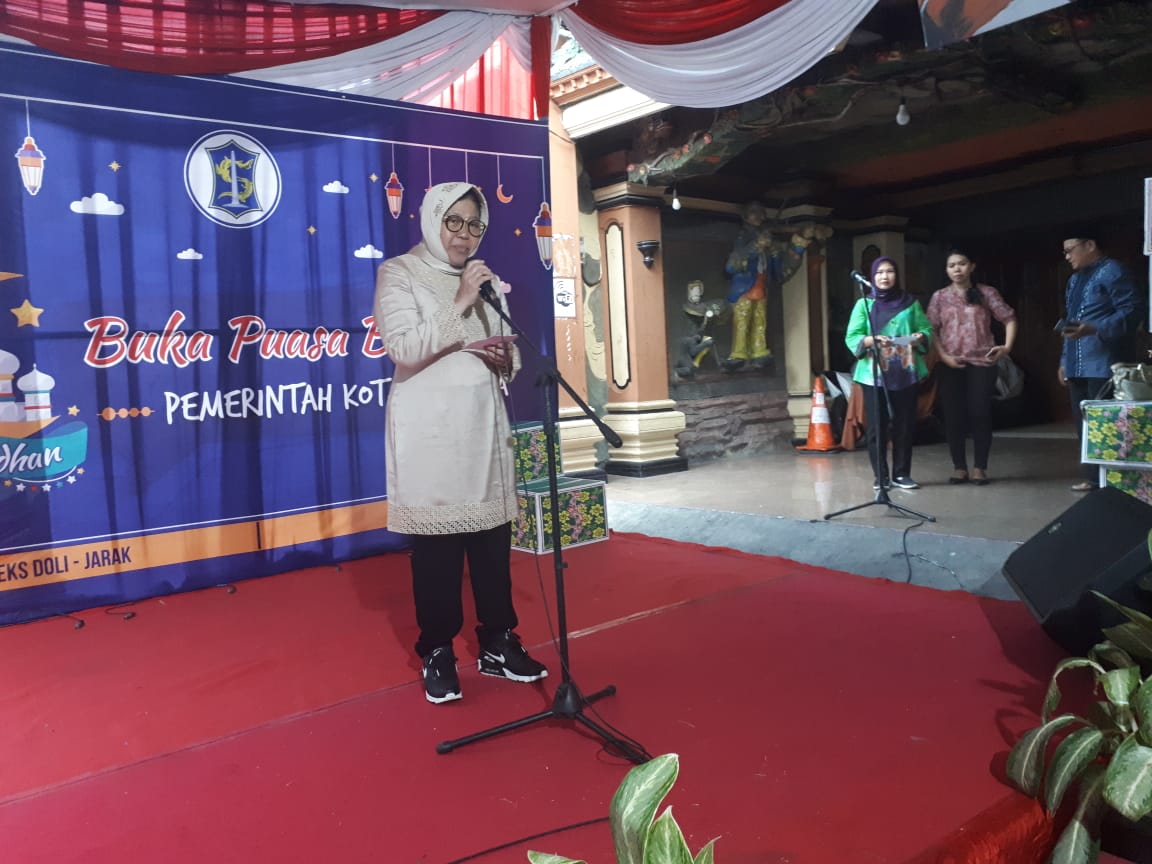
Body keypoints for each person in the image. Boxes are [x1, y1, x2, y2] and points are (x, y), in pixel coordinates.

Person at [373, 181, 547, 704]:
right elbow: (403, 349)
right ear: (432, 219)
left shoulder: (485, 279)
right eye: (455, 221)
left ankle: (498, 642)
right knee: (438, 554)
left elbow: (504, 350)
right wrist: (462, 300)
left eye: (474, 225)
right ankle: (437, 651)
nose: (465, 235)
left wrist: (504, 359)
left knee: (493, 545)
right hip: (430, 434)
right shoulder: (398, 273)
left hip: (482, 429)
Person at [1057, 229, 1142, 492]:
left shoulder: (1113, 270)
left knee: (1106, 422)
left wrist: (1094, 328)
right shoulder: (1073, 280)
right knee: (1083, 423)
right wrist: (1063, 360)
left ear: (1090, 244)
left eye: (1070, 250)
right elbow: (1071, 322)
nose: (1067, 256)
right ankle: (1094, 478)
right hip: (1077, 362)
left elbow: (1132, 311)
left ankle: (1114, 480)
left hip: (1104, 361)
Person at [926, 249, 1018, 485]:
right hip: (950, 363)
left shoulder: (986, 293)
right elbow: (931, 330)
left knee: (980, 413)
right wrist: (944, 356)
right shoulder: (939, 297)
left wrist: (1006, 347)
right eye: (951, 265)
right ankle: (959, 467)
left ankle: (980, 467)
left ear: (972, 266)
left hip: (983, 362)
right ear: (946, 270)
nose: (957, 269)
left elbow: (1009, 318)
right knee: (953, 415)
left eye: (962, 264)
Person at [845, 257, 933, 491]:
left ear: (897, 275)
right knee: (877, 427)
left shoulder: (910, 303)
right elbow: (852, 336)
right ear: (872, 277)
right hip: (874, 375)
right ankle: (881, 477)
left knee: (904, 425)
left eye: (890, 271)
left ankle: (902, 474)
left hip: (905, 371)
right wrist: (870, 339)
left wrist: (921, 337)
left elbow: (926, 328)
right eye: (879, 272)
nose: (885, 276)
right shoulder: (864, 304)